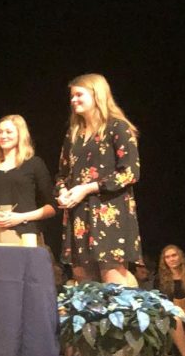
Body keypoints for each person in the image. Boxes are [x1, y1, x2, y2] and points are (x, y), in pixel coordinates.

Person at [56, 74, 141, 285]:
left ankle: (137, 316)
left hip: (109, 211)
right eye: (72, 96)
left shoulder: (118, 127)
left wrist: (87, 188)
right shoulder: (73, 133)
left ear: (97, 95)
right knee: (83, 277)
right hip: (79, 214)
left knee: (112, 276)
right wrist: (62, 191)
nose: (73, 100)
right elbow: (62, 174)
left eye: (79, 95)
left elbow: (130, 172)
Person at [0, 114, 55, 244]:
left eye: (9, 132)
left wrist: (21, 217)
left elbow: (52, 207)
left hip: (26, 237)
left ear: (20, 135)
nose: (3, 136)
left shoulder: (34, 164)